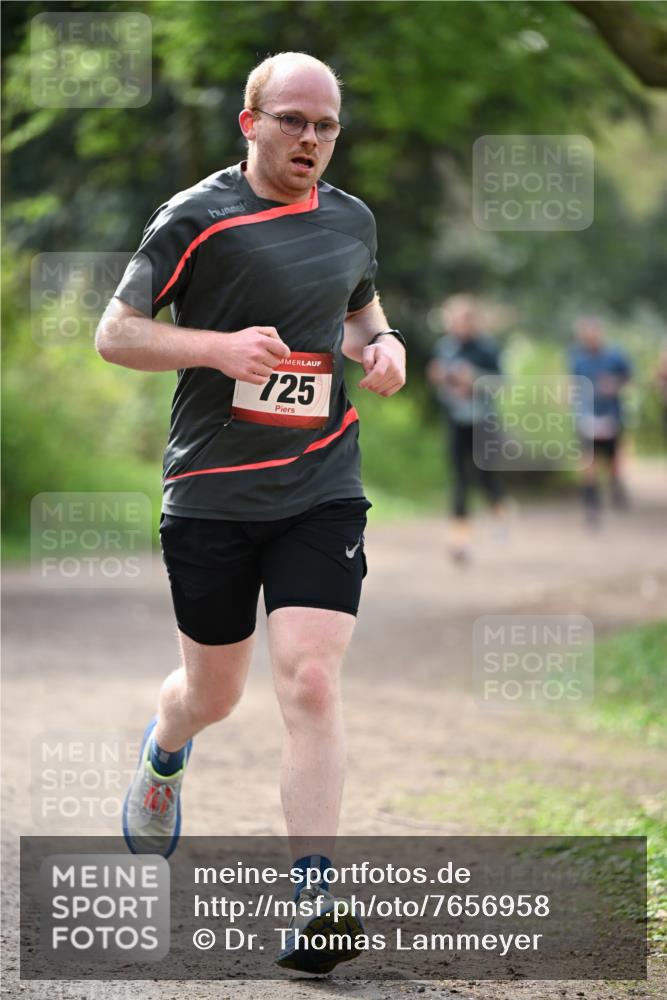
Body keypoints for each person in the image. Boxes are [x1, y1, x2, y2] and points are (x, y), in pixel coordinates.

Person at [95, 51, 406, 974]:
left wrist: (381, 343)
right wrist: (217, 347)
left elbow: (356, 308)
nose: (310, 139)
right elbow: (116, 334)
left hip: (321, 484)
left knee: (309, 679)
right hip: (210, 497)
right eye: (292, 121)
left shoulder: (351, 218)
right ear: (251, 122)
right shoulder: (196, 217)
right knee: (214, 696)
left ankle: (314, 897)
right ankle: (164, 751)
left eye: (325, 126)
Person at [426, 294, 505, 562]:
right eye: (454, 319)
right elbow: (438, 379)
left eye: (464, 318)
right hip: (455, 419)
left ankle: (499, 518)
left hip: (484, 422)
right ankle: (460, 540)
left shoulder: (487, 347)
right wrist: (441, 378)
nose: (458, 323)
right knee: (459, 479)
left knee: (486, 478)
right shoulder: (445, 347)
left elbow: (501, 384)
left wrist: (474, 379)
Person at [569, 316, 632, 527]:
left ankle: (615, 487)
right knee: (589, 460)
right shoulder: (577, 357)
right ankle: (591, 503)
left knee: (612, 458)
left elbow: (628, 377)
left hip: (611, 415)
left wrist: (614, 384)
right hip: (586, 416)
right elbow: (573, 382)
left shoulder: (615, 356)